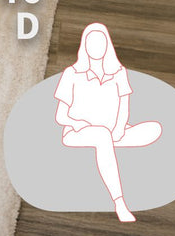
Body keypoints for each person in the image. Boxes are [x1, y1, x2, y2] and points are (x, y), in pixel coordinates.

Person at [54, 22, 163, 222]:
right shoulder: (72, 74)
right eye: (91, 43)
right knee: (101, 135)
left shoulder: (119, 73)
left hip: (112, 130)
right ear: (84, 46)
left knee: (154, 129)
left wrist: (119, 128)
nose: (96, 47)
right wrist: (78, 124)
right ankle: (119, 202)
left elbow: (124, 106)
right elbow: (60, 116)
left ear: (107, 45)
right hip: (78, 131)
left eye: (100, 42)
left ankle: (107, 145)